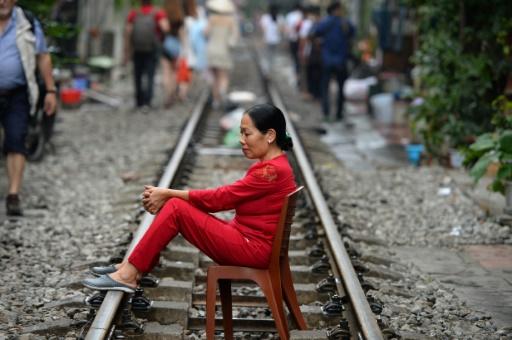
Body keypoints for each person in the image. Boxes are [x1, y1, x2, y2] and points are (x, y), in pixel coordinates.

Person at [82, 104, 296, 292]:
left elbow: (221, 199)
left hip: (252, 249)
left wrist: (168, 193)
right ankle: (132, 266)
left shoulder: (270, 171)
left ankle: (129, 274)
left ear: (269, 135)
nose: (241, 140)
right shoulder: (273, 166)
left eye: (246, 134)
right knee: (177, 207)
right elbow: (221, 198)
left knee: (176, 208)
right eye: (240, 133)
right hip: (249, 242)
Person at [0, 0, 57, 216]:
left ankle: (13, 194)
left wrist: (50, 90)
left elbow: (42, 56)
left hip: (18, 92)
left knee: (16, 140)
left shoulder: (27, 22)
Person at [312, 2, 355, 125]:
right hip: (341, 61)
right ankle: (338, 114)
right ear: (337, 10)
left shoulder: (325, 22)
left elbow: (314, 33)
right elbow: (352, 33)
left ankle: (326, 113)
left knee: (325, 88)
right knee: (341, 88)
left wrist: (320, 44)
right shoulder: (345, 23)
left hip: (327, 60)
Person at [124, 0, 167, 111]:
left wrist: (127, 50)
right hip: (151, 49)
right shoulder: (157, 13)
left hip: (137, 49)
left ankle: (139, 101)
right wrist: (161, 39)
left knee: (137, 75)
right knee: (150, 75)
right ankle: (147, 102)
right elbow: (165, 28)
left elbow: (128, 31)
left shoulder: (134, 13)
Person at [205, 0, 238, 109]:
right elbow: (234, 37)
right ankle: (223, 92)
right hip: (224, 50)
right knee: (223, 76)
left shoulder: (211, 19)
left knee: (214, 77)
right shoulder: (230, 20)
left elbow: (205, 33)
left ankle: (216, 100)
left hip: (212, 50)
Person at [161, 0, 185, 107]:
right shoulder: (180, 18)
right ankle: (173, 93)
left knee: (166, 73)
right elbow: (182, 35)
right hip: (176, 47)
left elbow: (164, 29)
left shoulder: (164, 15)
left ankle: (167, 95)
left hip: (166, 46)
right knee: (175, 72)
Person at [259, 4, 283, 71]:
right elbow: (280, 30)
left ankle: (267, 71)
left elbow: (263, 30)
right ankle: (272, 69)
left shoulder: (264, 17)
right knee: (273, 56)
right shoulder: (279, 17)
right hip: (276, 40)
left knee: (267, 56)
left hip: (267, 40)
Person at [284, 3, 303, 87]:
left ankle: (297, 77)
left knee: (294, 59)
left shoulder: (289, 16)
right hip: (301, 41)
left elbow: (287, 29)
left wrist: (287, 40)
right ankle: (300, 78)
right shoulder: (301, 15)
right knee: (300, 60)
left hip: (293, 40)